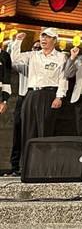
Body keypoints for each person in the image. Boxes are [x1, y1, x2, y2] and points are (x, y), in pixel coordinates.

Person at [9, 29, 68, 169]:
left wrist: (59, 96)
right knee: (28, 130)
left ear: (54, 40)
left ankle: (43, 165)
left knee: (45, 130)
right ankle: (27, 166)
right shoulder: (33, 55)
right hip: (32, 94)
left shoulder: (61, 57)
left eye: (48, 37)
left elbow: (63, 78)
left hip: (49, 95)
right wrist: (18, 41)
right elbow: (14, 59)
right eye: (42, 36)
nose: (44, 39)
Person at [7, 39, 35, 176]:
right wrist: (17, 42)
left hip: (38, 99)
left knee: (32, 132)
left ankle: (30, 164)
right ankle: (15, 166)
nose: (36, 50)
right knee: (18, 131)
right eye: (34, 48)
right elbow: (13, 61)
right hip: (23, 97)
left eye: (38, 48)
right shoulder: (26, 63)